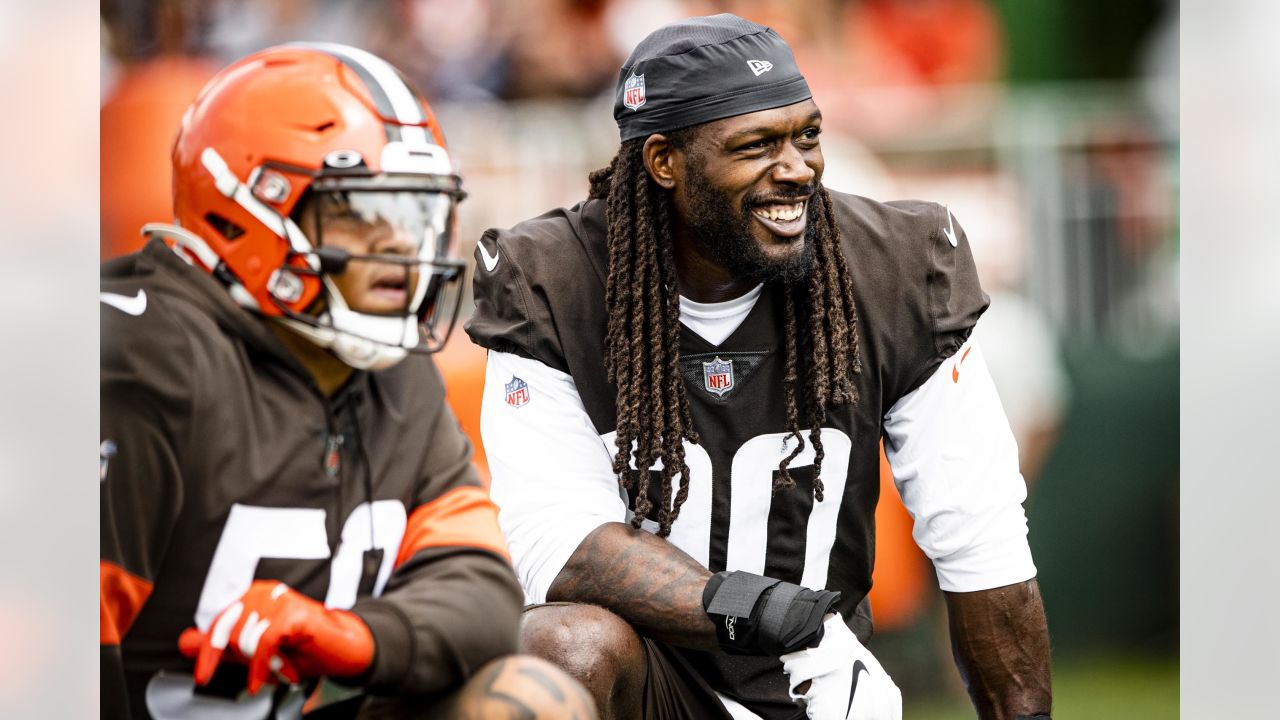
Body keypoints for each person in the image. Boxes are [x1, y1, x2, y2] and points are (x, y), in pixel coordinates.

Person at [467, 14, 1051, 720]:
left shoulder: (893, 268)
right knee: (558, 648)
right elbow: (562, 546)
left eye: (806, 136)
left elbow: (979, 538)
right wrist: (775, 613)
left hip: (822, 687)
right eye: (756, 145)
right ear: (663, 161)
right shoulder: (553, 281)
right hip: (659, 690)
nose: (797, 168)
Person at [100, 43, 597, 720]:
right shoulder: (141, 357)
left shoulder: (393, 372)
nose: (405, 247)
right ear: (244, 212)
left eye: (415, 215)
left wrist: (354, 636)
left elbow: (482, 595)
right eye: (363, 212)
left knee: (533, 701)